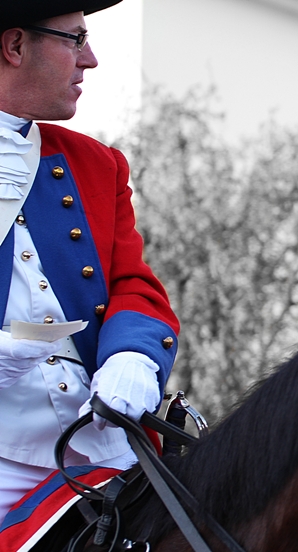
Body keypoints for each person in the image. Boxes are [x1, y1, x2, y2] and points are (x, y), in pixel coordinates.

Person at [0, 0, 179, 522]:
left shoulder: (96, 163)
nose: (91, 59)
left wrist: (133, 357)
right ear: (14, 46)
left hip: (104, 441)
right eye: (76, 39)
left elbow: (134, 284)